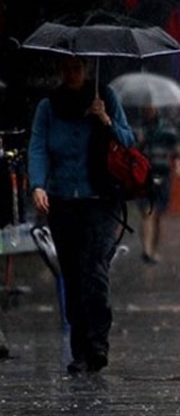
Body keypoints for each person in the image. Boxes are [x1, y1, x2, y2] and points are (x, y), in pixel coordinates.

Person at [27, 55, 135, 373]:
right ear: (60, 71)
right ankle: (80, 350)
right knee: (73, 276)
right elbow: (38, 147)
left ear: (86, 68)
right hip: (62, 202)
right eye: (66, 68)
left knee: (95, 271)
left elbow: (129, 142)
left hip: (100, 201)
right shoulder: (48, 108)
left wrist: (105, 119)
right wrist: (38, 185)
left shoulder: (106, 98)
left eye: (77, 67)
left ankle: (99, 342)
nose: (72, 73)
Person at [135, 104, 180, 264]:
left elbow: (176, 150)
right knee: (148, 212)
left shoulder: (167, 129)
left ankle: (153, 249)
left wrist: (177, 163)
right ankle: (147, 250)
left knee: (158, 215)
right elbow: (132, 150)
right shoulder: (139, 129)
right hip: (144, 176)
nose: (149, 110)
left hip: (162, 176)